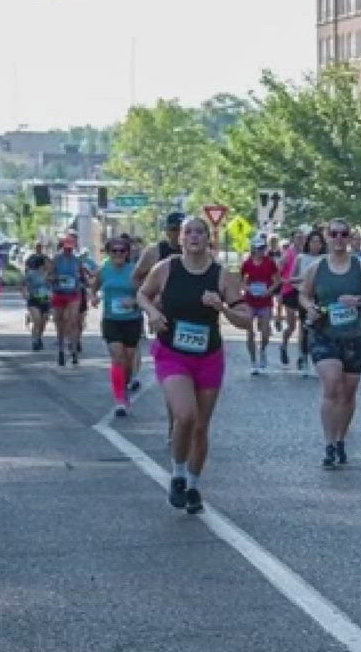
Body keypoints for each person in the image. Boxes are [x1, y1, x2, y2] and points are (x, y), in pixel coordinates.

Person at [135, 216, 251, 515]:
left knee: (201, 427)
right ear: (181, 239)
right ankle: (177, 474)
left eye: (200, 232)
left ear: (208, 238)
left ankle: (194, 486)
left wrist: (222, 307)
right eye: (189, 232)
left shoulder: (223, 276)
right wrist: (152, 313)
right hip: (173, 352)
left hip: (208, 356)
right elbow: (142, 294)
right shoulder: (167, 268)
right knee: (185, 416)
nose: (194, 237)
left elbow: (246, 319)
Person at [302, 219, 361, 469]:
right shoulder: (316, 268)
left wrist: (359, 300)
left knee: (348, 393)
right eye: (334, 234)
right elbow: (304, 295)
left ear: (350, 238)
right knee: (331, 383)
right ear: (326, 237)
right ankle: (328, 444)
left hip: (355, 337)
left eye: (344, 234)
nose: (339, 238)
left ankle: (340, 439)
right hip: (324, 335)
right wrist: (311, 308)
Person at [94, 234, 147, 417]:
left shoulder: (135, 271)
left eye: (122, 251)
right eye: (114, 251)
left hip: (132, 320)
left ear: (127, 253)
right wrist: (93, 296)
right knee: (118, 357)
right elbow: (95, 286)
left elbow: (145, 293)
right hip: (111, 320)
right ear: (108, 252)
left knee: (129, 361)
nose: (118, 254)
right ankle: (120, 399)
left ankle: (124, 385)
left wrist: (133, 302)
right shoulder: (104, 270)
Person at [284, 228, 326, 375]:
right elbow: (291, 278)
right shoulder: (301, 258)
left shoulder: (325, 258)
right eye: (313, 241)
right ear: (309, 243)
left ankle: (319, 359)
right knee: (305, 328)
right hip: (305, 298)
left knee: (321, 328)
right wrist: (303, 284)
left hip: (321, 298)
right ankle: (303, 357)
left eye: (319, 242)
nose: (316, 245)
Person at [239, 234, 281, 375]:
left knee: (265, 332)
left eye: (263, 248)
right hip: (251, 301)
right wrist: (247, 288)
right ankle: (253, 361)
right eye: (258, 248)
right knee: (250, 331)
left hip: (265, 301)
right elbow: (241, 280)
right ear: (253, 249)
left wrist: (269, 292)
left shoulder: (270, 262)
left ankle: (262, 350)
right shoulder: (247, 263)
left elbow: (277, 280)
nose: (260, 251)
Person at [49, 233, 90, 366]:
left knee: (73, 321)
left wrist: (85, 282)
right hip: (59, 293)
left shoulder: (77, 260)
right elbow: (48, 276)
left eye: (71, 248)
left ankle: (73, 350)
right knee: (60, 322)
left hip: (73, 294)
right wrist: (57, 278)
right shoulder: (56, 259)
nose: (68, 250)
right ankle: (61, 349)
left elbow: (84, 276)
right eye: (67, 248)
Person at [21, 241, 53, 352]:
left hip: (45, 300)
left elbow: (55, 286)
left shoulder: (50, 275)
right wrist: (25, 293)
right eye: (47, 263)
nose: (49, 265)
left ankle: (39, 337)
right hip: (34, 299)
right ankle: (34, 340)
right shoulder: (31, 273)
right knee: (37, 320)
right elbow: (24, 284)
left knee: (43, 322)